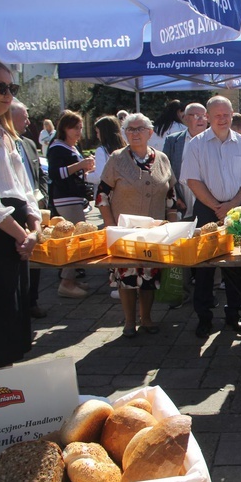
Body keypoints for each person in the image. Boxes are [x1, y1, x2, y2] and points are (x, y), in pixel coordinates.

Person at [181, 96, 241, 339]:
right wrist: (216, 206)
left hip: (237, 209)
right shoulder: (196, 145)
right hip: (207, 210)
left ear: (232, 113)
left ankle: (233, 315)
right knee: (204, 267)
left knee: (236, 267)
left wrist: (233, 205)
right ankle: (204, 317)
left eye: (226, 114)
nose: (222, 119)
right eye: (217, 115)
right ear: (207, 117)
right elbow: (192, 180)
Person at [97, 113, 177, 337]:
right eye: (129, 129)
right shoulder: (116, 159)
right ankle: (129, 322)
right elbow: (102, 195)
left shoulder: (162, 158)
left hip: (154, 232)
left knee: (149, 277)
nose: (134, 133)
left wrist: (172, 227)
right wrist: (110, 226)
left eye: (139, 128)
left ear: (150, 133)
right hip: (124, 232)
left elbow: (171, 196)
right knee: (127, 277)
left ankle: (147, 318)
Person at [0, 60, 40, 368]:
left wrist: (35, 225)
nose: (8, 94)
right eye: (1, 87)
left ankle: (6, 390)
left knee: (13, 314)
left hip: (16, 236)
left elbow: (25, 188)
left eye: (12, 88)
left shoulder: (5, 133)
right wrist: (23, 235)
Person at [47, 110, 95, 298]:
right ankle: (66, 282)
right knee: (73, 240)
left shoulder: (69, 147)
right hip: (65, 198)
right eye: (75, 128)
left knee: (76, 238)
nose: (79, 132)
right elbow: (56, 174)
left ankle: (71, 279)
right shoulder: (57, 148)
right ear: (64, 128)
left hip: (73, 197)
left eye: (80, 128)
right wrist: (81, 165)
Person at [11, 100, 49, 319]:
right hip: (10, 212)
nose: (28, 121)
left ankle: (31, 301)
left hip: (35, 208)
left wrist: (42, 197)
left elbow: (40, 174)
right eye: (24, 116)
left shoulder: (28, 143)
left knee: (36, 256)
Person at [163, 103, 207, 221]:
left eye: (204, 116)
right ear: (185, 118)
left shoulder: (214, 141)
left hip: (207, 202)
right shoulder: (172, 141)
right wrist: (174, 197)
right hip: (182, 202)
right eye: (197, 116)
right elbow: (165, 170)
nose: (201, 119)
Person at [86, 116, 126, 196]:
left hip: (108, 194)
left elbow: (99, 176)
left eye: (98, 132)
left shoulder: (102, 150)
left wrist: (85, 176)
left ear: (104, 132)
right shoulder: (125, 148)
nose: (97, 136)